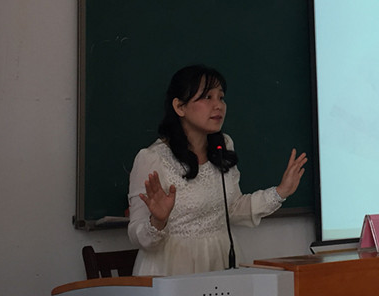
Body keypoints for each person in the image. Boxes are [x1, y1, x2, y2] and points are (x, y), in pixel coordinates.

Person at [127, 64, 307, 276]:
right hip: (173, 269)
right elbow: (136, 235)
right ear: (180, 107)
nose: (218, 106)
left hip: (220, 261)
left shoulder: (224, 146)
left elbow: (233, 209)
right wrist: (158, 220)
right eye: (207, 97)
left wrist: (280, 192)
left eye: (221, 97)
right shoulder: (152, 159)